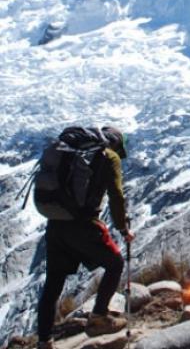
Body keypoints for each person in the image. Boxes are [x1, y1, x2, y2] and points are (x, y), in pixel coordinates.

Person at [37, 127, 134, 349]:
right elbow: (116, 196)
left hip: (56, 223)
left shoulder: (71, 152)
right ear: (117, 145)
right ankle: (99, 317)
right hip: (83, 224)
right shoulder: (109, 157)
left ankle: (44, 341)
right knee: (115, 263)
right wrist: (123, 229)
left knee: (53, 284)